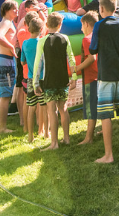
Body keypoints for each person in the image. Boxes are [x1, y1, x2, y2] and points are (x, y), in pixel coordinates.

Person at [90, 0, 119, 163]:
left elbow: (93, 49)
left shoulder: (99, 26)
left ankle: (109, 155)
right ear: (115, 8)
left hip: (106, 76)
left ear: (101, 9)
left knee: (106, 115)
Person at [32, 12, 77, 150]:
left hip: (49, 80)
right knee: (63, 108)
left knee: (52, 111)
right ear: (60, 25)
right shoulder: (65, 38)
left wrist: (35, 83)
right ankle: (67, 139)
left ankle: (54, 143)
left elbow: (37, 63)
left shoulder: (42, 41)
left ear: (46, 25)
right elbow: (71, 58)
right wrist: (74, 77)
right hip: (63, 79)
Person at [0, 0, 19, 135]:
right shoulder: (7, 23)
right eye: (15, 9)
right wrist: (12, 47)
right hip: (4, 62)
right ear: (7, 10)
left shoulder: (5, 22)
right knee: (5, 96)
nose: (17, 11)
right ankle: (2, 128)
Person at [19, 15, 47, 144]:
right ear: (41, 29)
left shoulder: (25, 43)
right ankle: (44, 131)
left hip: (30, 78)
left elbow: (22, 62)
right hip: (42, 78)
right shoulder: (42, 41)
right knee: (43, 105)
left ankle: (30, 135)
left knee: (31, 106)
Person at [75, 11, 100, 145]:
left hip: (90, 78)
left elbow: (91, 58)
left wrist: (77, 68)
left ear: (86, 24)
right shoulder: (99, 36)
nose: (81, 29)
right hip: (100, 77)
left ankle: (89, 138)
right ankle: (102, 129)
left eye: (81, 26)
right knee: (100, 106)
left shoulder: (87, 39)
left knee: (91, 109)